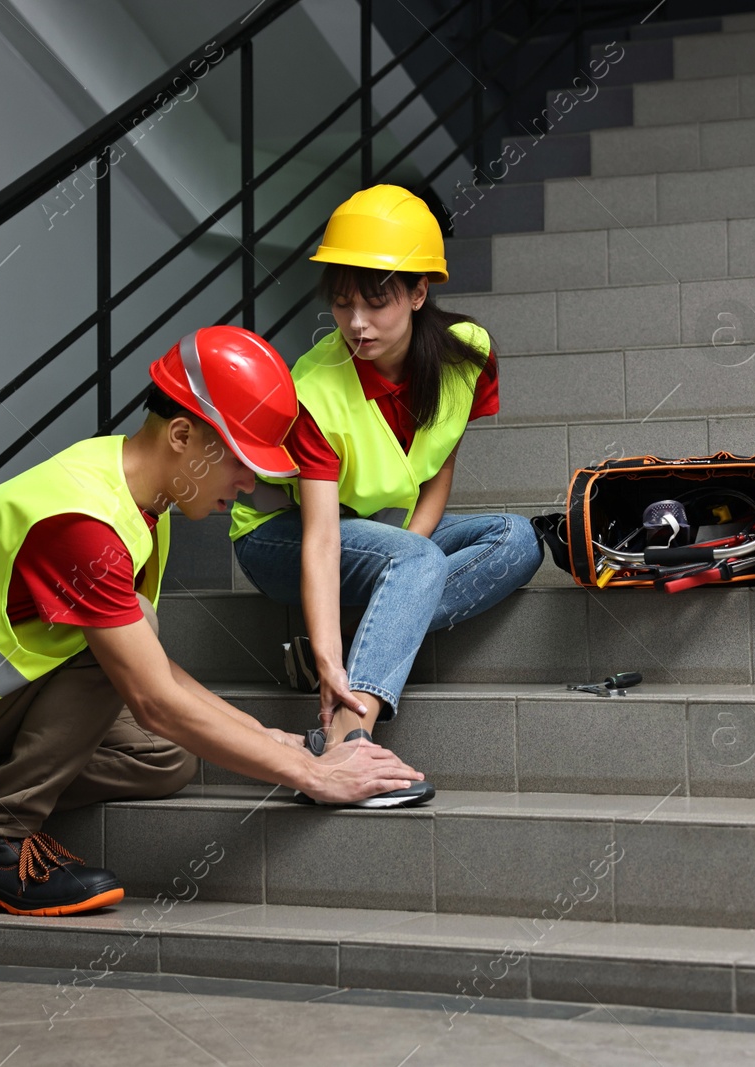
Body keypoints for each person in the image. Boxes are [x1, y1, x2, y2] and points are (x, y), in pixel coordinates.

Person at [0, 326, 425, 916]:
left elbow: (154, 679)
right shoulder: (86, 527)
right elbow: (152, 694)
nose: (250, 483)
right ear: (182, 435)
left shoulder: (125, 481)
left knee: (167, 760)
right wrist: (311, 774)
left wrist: (280, 740)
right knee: (124, 652)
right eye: (239, 459)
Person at [230, 185, 542, 808]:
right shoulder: (315, 388)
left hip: (370, 539)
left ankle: (367, 636)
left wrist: (409, 554)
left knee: (517, 538)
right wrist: (328, 663)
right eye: (343, 304)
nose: (356, 323)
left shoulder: (468, 355)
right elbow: (320, 538)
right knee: (415, 561)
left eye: (377, 303)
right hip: (280, 539)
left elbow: (439, 467)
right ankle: (349, 736)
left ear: (419, 292)